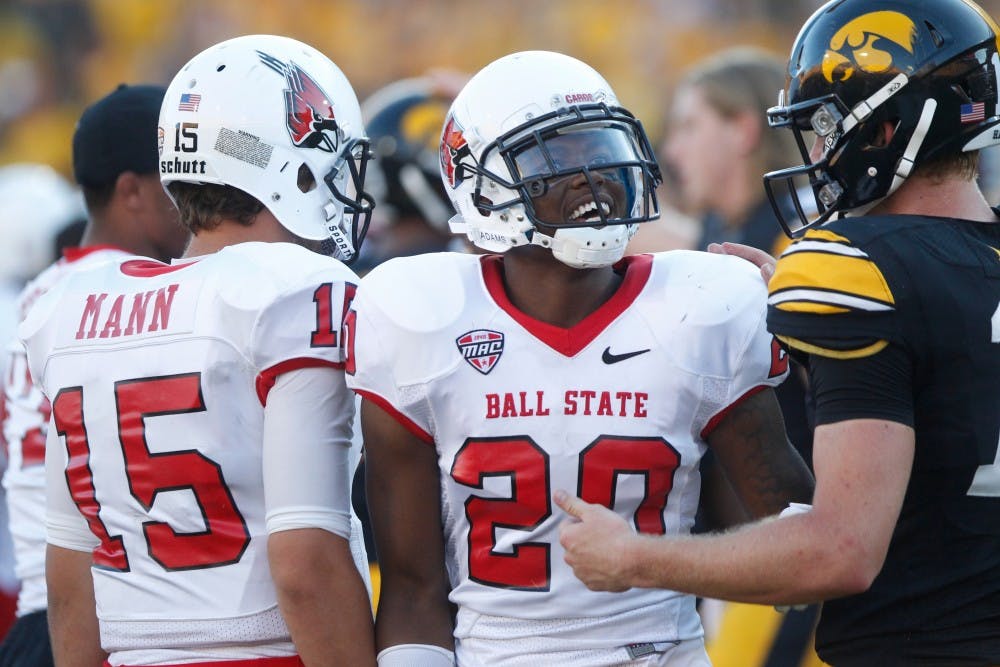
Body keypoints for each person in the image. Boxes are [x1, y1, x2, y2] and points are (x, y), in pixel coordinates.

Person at [557, 0, 1000, 664]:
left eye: (824, 128)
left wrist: (633, 557)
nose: (819, 152)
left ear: (883, 128)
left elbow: (841, 549)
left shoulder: (851, 266)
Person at [345, 50, 813, 666]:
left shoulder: (703, 305)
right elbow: (411, 590)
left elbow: (793, 540)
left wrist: (816, 359)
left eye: (602, 145)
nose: (596, 173)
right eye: (557, 156)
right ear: (480, 186)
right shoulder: (418, 315)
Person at [19, 35, 376, 666]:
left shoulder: (71, 306)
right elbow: (304, 562)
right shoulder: (294, 291)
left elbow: (70, 567)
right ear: (288, 164)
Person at [0, 84, 188, 667]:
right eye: (176, 178)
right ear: (131, 189)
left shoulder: (38, 294)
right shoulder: (134, 294)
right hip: (107, 614)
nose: (192, 196)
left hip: (39, 612)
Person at [662, 47, 821, 667]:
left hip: (801, 537)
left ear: (743, 129)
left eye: (689, 125)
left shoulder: (804, 243)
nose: (673, 151)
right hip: (732, 545)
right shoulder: (716, 234)